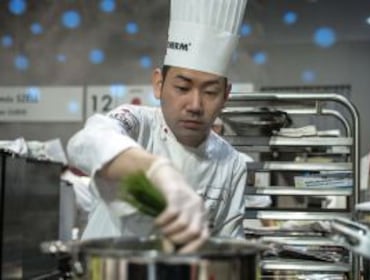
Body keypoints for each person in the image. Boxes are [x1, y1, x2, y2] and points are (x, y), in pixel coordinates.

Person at [66, 0, 248, 253]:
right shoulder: (137, 124)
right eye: (182, 88)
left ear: (226, 96)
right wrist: (156, 170)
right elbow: (85, 142)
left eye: (210, 91)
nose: (195, 104)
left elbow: (230, 249)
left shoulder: (232, 163)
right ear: (158, 84)